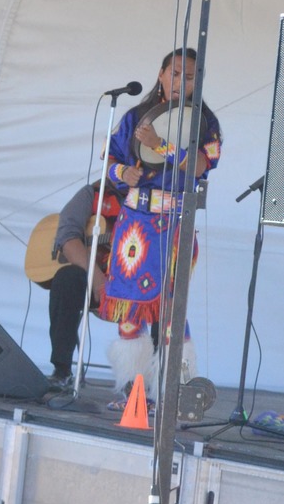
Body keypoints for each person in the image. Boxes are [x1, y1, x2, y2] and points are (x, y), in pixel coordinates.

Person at [98, 47, 222, 407]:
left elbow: (200, 166)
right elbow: (109, 162)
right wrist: (125, 173)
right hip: (134, 226)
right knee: (129, 307)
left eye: (190, 75)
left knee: (171, 308)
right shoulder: (137, 116)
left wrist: (161, 145)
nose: (182, 80)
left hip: (175, 226)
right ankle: (133, 392)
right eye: (176, 72)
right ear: (162, 73)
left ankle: (174, 393)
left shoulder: (205, 122)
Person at [47, 180, 121, 390]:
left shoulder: (154, 198)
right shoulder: (93, 193)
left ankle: (147, 380)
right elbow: (67, 237)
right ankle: (62, 370)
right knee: (66, 279)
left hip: (132, 283)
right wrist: (98, 280)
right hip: (96, 280)